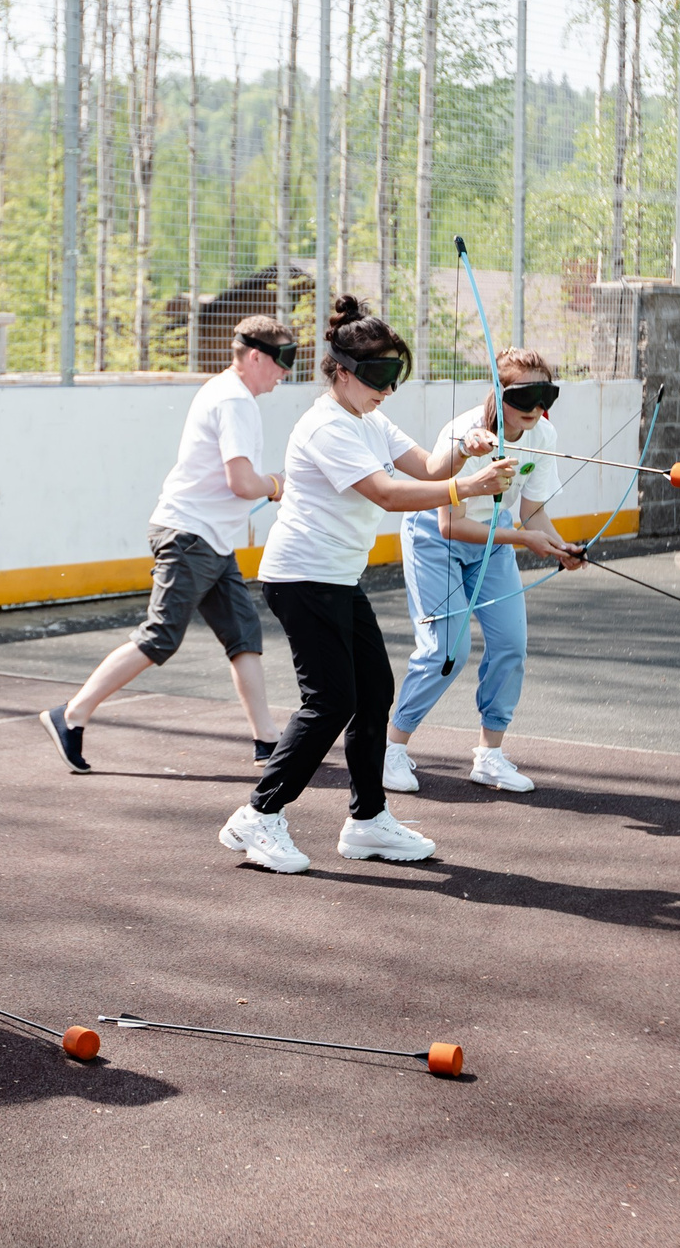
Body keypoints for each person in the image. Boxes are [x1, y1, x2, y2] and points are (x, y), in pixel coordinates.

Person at [219, 295, 517, 875]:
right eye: (379, 376)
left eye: (394, 375)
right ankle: (258, 815)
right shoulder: (325, 426)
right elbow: (386, 494)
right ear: (342, 370)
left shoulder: (369, 417)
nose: (387, 388)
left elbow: (428, 469)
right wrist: (471, 488)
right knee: (330, 701)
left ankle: (367, 821)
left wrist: (464, 447)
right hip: (301, 576)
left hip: (336, 577)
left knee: (374, 693)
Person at [39, 313, 294, 772]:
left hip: (210, 540)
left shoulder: (225, 391)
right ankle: (71, 714)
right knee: (159, 637)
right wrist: (276, 483)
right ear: (256, 357)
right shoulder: (234, 400)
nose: (286, 372)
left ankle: (267, 740)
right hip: (189, 537)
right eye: (283, 361)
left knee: (243, 636)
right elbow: (241, 482)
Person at [383, 348, 586, 796]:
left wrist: (559, 547)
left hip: (494, 541)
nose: (534, 408)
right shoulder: (464, 435)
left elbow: (532, 514)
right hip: (435, 541)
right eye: (524, 396)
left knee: (511, 644)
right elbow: (450, 524)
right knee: (446, 651)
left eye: (545, 395)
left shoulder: (543, 434)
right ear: (498, 391)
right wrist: (525, 541)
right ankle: (392, 748)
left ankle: (488, 755)